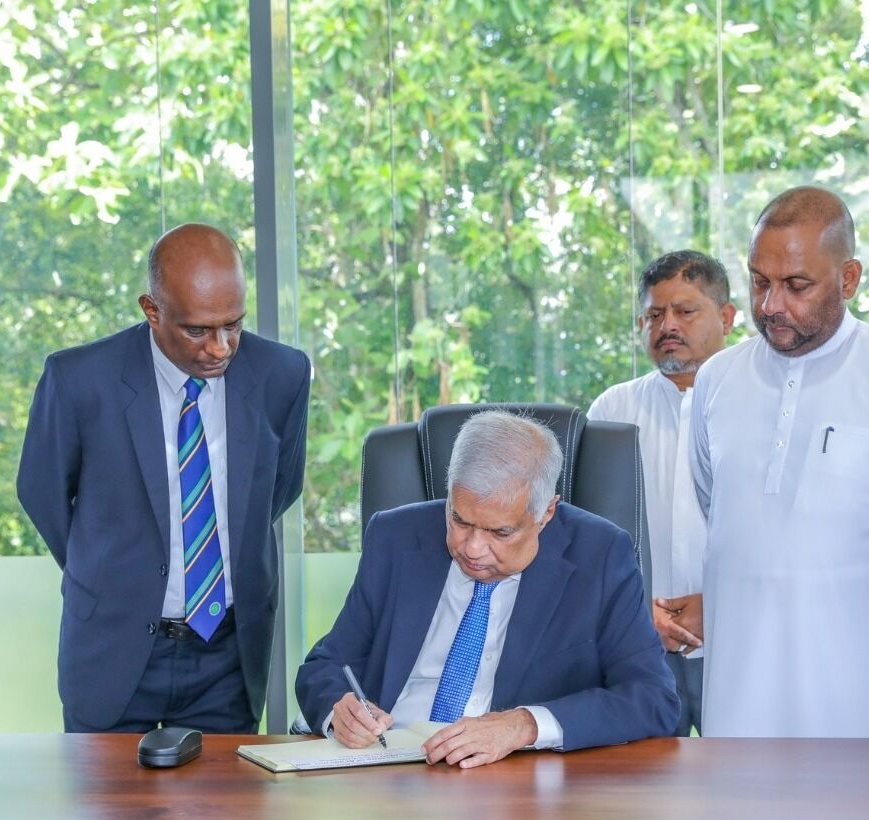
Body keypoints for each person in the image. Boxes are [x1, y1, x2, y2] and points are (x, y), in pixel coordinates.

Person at [17, 223, 311, 733]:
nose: (220, 347)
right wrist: (107, 571)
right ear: (152, 311)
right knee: (103, 789)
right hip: (111, 648)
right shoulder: (79, 380)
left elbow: (281, 488)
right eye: (198, 330)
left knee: (222, 790)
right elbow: (41, 493)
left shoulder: (281, 374)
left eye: (233, 325)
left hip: (229, 654)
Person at [296, 411, 679, 768]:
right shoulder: (395, 536)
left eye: (501, 532)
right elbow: (326, 666)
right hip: (389, 768)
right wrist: (340, 711)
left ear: (546, 513)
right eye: (460, 521)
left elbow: (652, 698)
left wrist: (525, 724)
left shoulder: (600, 555)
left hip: (514, 780)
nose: (473, 548)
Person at [691, 186, 869, 737]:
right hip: (733, 707)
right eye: (759, 281)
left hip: (849, 711)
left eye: (796, 285)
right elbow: (714, 504)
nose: (770, 305)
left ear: (848, 279)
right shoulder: (716, 379)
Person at [587, 251, 735, 736]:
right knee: (644, 778)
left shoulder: (756, 405)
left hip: (738, 641)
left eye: (685, 311)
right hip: (638, 644)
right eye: (654, 315)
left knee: (744, 774)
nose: (667, 325)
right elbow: (588, 535)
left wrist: (724, 604)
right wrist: (635, 611)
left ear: (727, 317)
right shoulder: (612, 410)